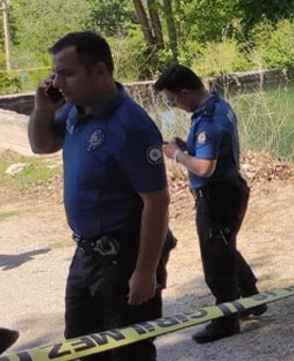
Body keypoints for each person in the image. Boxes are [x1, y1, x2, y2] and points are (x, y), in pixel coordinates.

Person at [28, 32, 174, 360]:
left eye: (67, 74)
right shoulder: (74, 112)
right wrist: (42, 108)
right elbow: (42, 145)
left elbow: (157, 202)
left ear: (99, 71)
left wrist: (146, 271)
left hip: (125, 258)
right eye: (55, 74)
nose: (58, 83)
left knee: (129, 351)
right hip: (86, 255)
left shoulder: (131, 126)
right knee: (81, 345)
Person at [153, 63, 265, 344]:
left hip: (217, 196)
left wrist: (175, 155)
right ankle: (252, 298)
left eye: (172, 99)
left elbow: (204, 168)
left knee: (215, 259)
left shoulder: (209, 119)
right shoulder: (217, 106)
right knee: (224, 246)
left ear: (186, 92)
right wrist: (187, 147)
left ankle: (226, 320)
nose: (173, 105)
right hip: (229, 190)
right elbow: (211, 153)